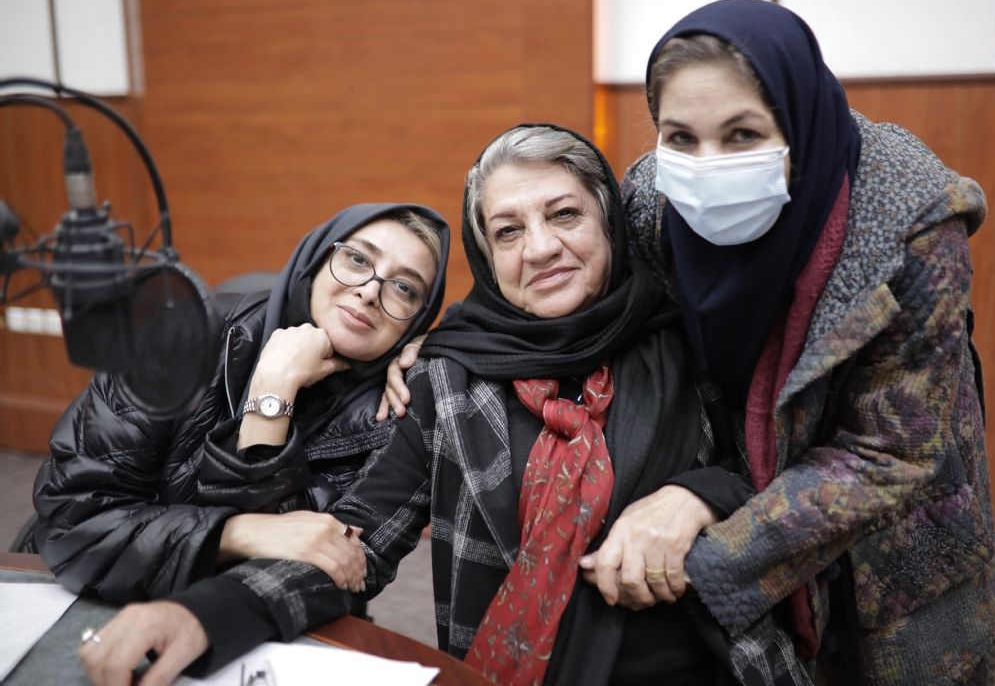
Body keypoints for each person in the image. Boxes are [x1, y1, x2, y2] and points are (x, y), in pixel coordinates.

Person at [333, 124, 808, 686]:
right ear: (487, 257)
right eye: (508, 231)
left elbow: (795, 486)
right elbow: (357, 542)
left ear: (609, 223)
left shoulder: (693, 343)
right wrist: (242, 577)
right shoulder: (447, 378)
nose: (539, 249)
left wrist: (699, 497)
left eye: (564, 215)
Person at [618, 0, 995, 684]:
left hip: (892, 554)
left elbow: (892, 452)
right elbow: (590, 313)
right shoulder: (652, 202)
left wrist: (709, 548)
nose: (706, 166)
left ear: (798, 124)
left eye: (742, 135)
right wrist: (433, 354)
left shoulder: (913, 224)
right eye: (680, 137)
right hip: (739, 493)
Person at [25, 203, 449, 683]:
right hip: (80, 590)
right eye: (357, 259)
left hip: (252, 638)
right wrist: (237, 530)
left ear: (416, 321)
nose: (371, 290)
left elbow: (331, 571)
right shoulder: (180, 334)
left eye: (404, 288)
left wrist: (271, 410)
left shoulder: (396, 412)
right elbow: (73, 520)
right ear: (317, 258)